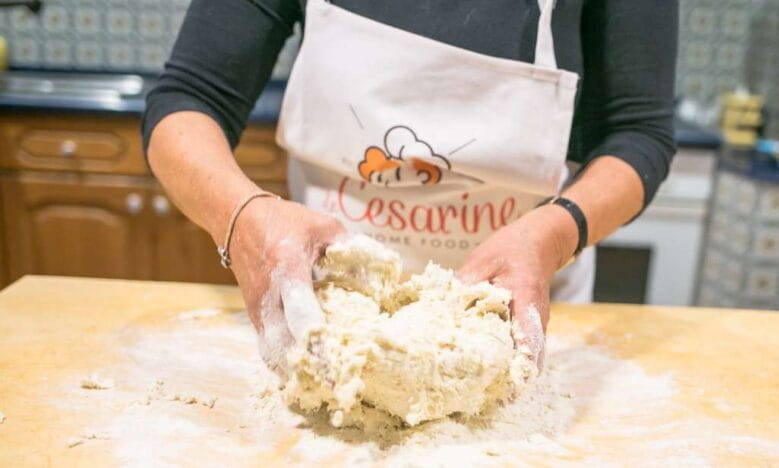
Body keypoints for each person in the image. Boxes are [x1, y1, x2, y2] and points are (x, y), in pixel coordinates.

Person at [143, 0, 677, 372]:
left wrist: (555, 237)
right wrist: (242, 215)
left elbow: (639, 135)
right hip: (325, 316)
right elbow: (187, 99)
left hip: (515, 318)